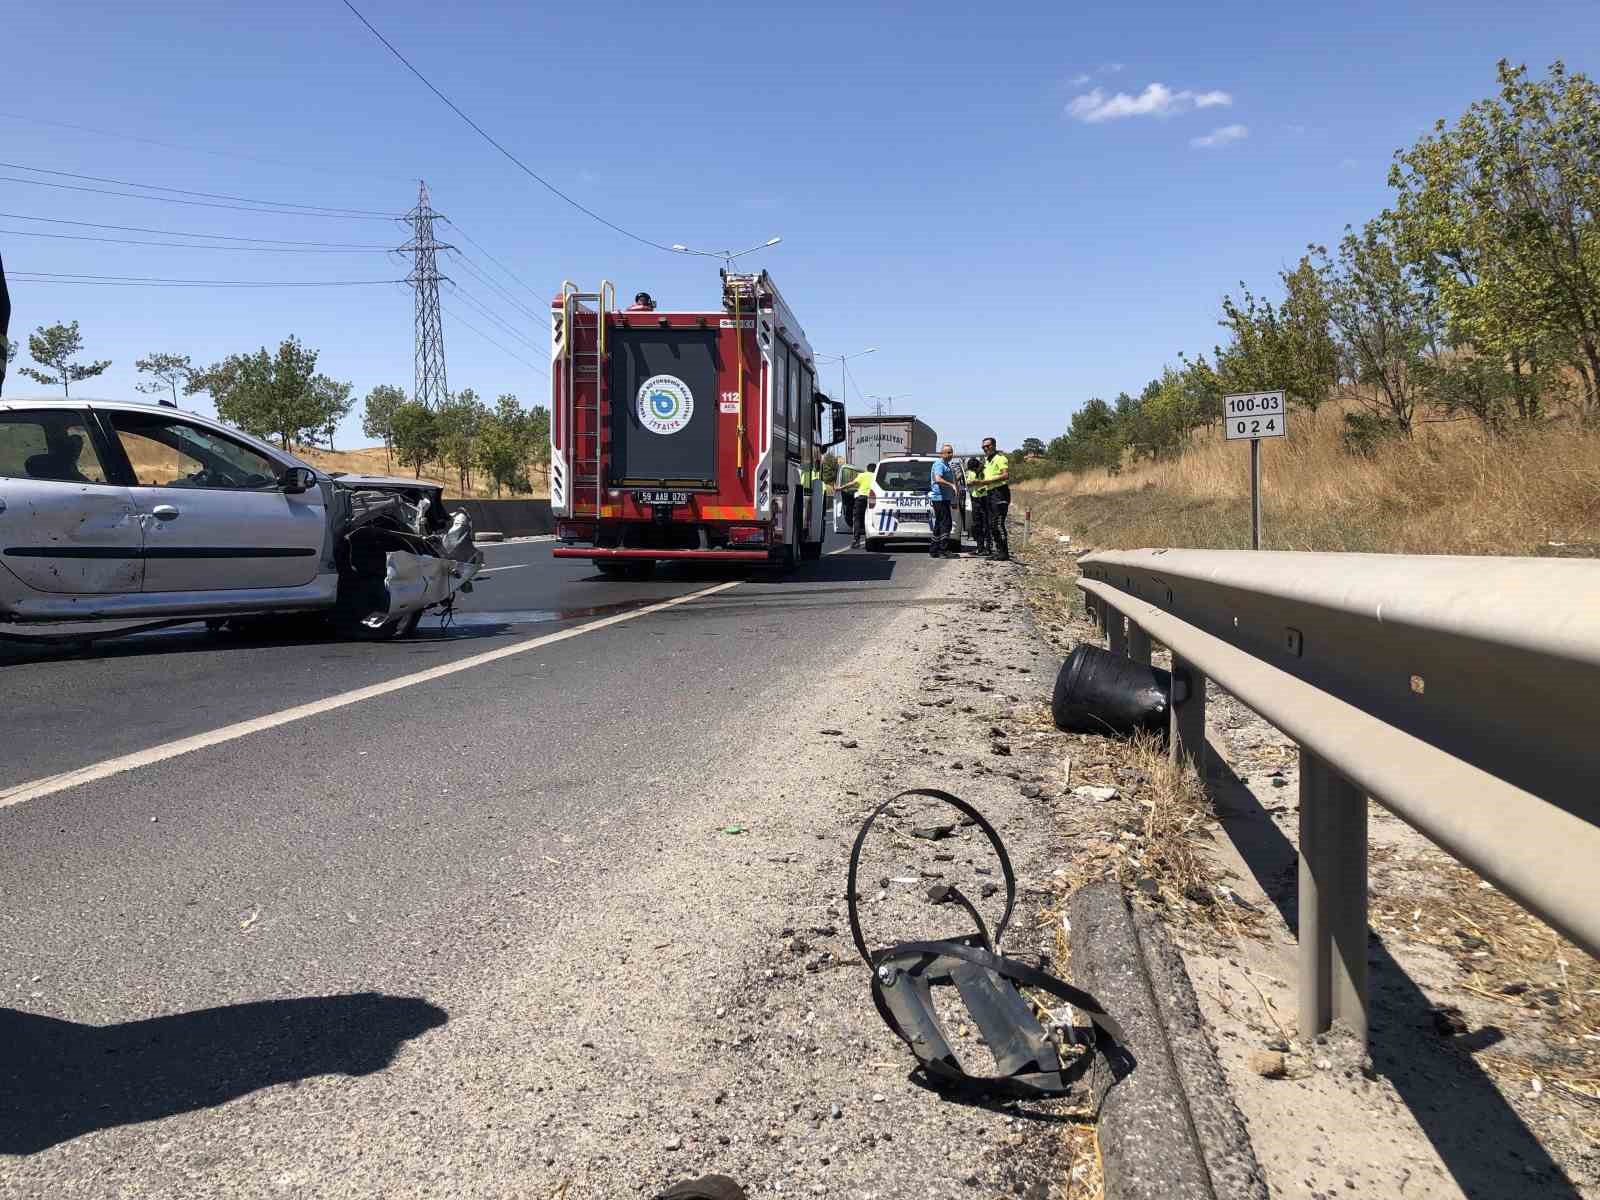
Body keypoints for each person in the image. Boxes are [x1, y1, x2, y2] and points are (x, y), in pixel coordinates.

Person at [977, 436, 1011, 560]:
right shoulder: (988, 460)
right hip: (990, 493)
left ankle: (1004, 553)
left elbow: (1005, 475)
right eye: (983, 447)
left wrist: (988, 481)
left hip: (1000, 493)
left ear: (994, 445)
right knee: (991, 524)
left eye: (988, 446)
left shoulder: (1000, 458)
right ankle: (999, 551)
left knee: (998, 524)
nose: (985, 449)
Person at [927, 444, 958, 558]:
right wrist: (952, 485)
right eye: (947, 452)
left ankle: (934, 549)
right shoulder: (939, 464)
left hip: (944, 498)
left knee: (940, 524)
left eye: (951, 452)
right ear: (941, 454)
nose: (950, 454)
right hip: (939, 498)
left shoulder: (947, 465)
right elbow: (938, 479)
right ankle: (943, 550)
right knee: (946, 523)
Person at [848, 461, 875, 548]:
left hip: (861, 499)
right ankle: (871, 540)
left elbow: (852, 483)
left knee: (857, 519)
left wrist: (841, 487)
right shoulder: (876, 476)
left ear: (867, 469)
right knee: (871, 519)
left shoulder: (862, 475)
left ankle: (856, 540)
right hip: (873, 500)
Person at [965, 455, 989, 554]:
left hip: (985, 498)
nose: (975, 471)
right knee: (977, 524)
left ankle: (988, 548)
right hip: (975, 499)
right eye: (973, 470)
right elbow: (968, 484)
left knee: (986, 524)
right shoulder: (970, 472)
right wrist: (972, 483)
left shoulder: (986, 470)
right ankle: (980, 547)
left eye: (976, 469)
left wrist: (980, 482)